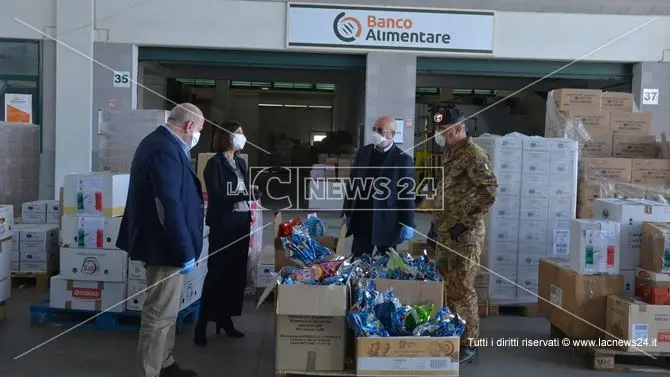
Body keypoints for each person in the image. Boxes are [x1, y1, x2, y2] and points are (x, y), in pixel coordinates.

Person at [117, 103, 205, 377]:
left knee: (167, 312)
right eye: (198, 130)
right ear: (189, 126)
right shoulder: (163, 149)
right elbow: (169, 204)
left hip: (168, 245)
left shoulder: (165, 144)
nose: (197, 136)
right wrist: (183, 250)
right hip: (165, 247)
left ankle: (165, 363)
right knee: (158, 314)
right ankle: (149, 371)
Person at [430, 105, 498, 364]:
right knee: (447, 287)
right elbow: (447, 193)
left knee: (463, 288)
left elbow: (489, 191)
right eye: (438, 130)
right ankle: (452, 335)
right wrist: (436, 224)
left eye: (443, 130)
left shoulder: (473, 155)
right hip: (446, 232)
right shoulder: (451, 153)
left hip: (465, 235)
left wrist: (465, 221)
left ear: (458, 128)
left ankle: (469, 344)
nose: (440, 135)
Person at [194, 121, 255, 346]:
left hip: (240, 223)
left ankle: (225, 319)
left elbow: (241, 190)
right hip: (224, 225)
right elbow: (218, 196)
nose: (243, 137)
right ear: (227, 136)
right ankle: (202, 325)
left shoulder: (239, 162)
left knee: (235, 273)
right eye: (239, 133)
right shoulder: (214, 164)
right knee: (217, 274)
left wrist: (249, 193)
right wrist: (245, 194)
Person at [342, 116, 416, 258]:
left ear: (392, 134)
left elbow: (407, 193)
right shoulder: (364, 152)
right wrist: (348, 211)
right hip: (362, 219)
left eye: (381, 130)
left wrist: (408, 222)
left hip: (387, 221)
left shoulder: (402, 159)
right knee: (358, 261)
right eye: (374, 129)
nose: (376, 133)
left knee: (387, 264)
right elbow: (353, 183)